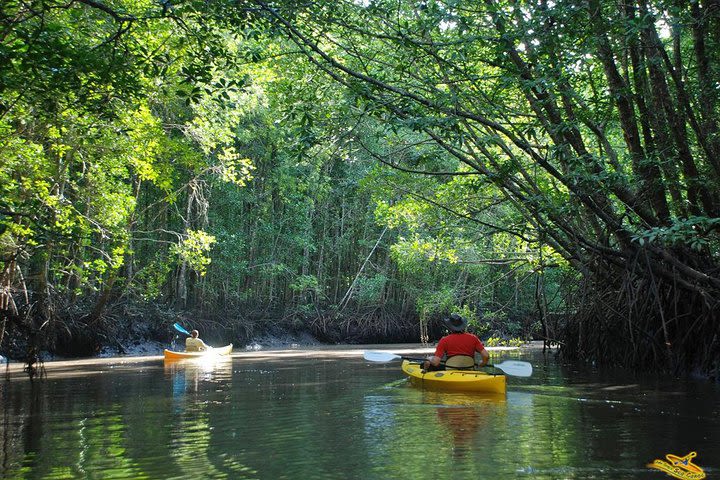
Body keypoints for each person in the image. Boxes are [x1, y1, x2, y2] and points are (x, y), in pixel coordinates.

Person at [423, 313, 489, 371]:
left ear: (450, 327)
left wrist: (429, 359)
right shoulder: (473, 338)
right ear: (463, 326)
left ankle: (424, 371)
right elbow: (486, 356)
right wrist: (482, 363)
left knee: (425, 363)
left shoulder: (444, 340)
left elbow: (436, 362)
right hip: (469, 369)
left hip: (450, 370)